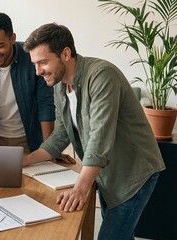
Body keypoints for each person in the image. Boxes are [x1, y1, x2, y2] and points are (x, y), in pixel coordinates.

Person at [23, 23, 165, 239]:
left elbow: (99, 137)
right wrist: (23, 161)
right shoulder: (60, 86)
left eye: (43, 62)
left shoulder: (101, 76)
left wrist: (80, 188)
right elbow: (60, 136)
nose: (38, 71)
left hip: (132, 173)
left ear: (66, 53)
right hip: (107, 172)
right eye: (35, 64)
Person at [0, 12, 56, 155]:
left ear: (12, 38)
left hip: (30, 140)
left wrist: (49, 150)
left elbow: (45, 106)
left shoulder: (32, 59)